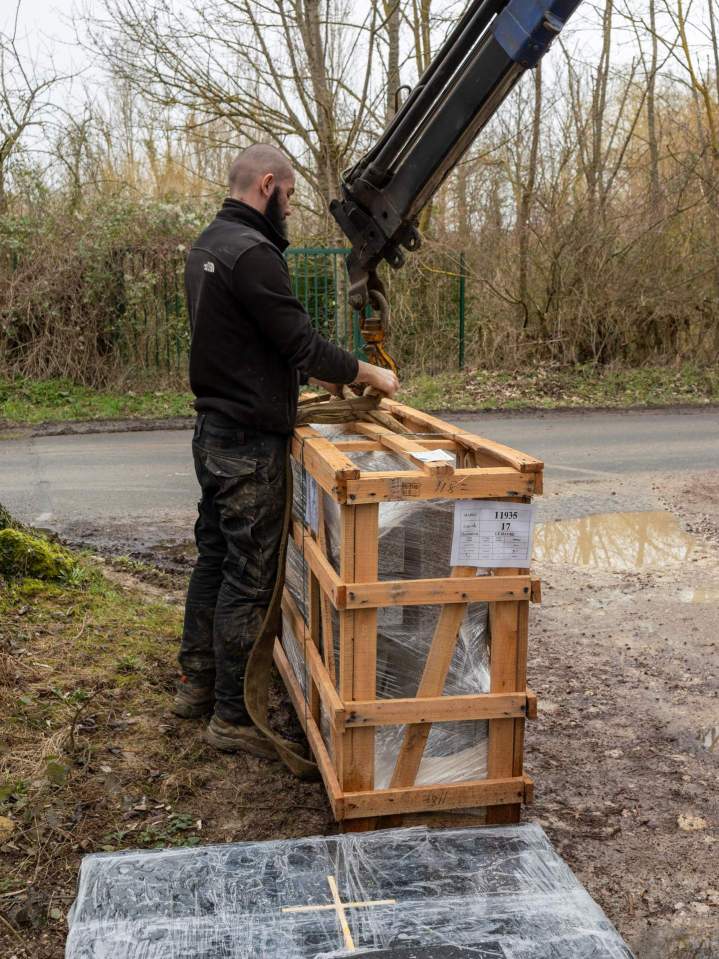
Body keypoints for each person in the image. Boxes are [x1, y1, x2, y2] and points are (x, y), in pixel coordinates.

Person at [174, 144, 399, 757]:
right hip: (247, 445)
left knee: (215, 558)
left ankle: (195, 684)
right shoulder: (254, 254)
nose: (292, 208)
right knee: (249, 575)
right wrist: (365, 374)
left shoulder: (208, 244)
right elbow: (297, 337)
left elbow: (248, 342)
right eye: (292, 195)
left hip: (212, 432)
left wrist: (310, 376)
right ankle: (233, 716)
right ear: (267, 185)